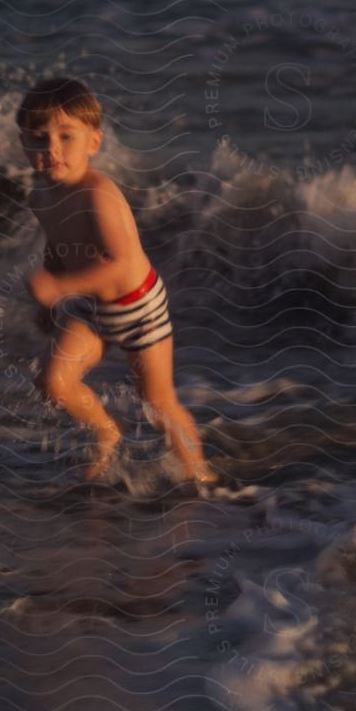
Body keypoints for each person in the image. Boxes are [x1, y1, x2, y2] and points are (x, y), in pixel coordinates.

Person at [16, 76, 216, 486]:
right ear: (23, 143)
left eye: (66, 136)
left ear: (94, 142)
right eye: (38, 138)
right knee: (53, 382)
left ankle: (201, 478)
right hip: (90, 307)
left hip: (138, 308)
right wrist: (48, 299)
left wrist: (59, 289)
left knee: (157, 402)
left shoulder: (98, 195)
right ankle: (105, 430)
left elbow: (121, 265)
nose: (51, 149)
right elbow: (58, 247)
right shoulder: (39, 197)